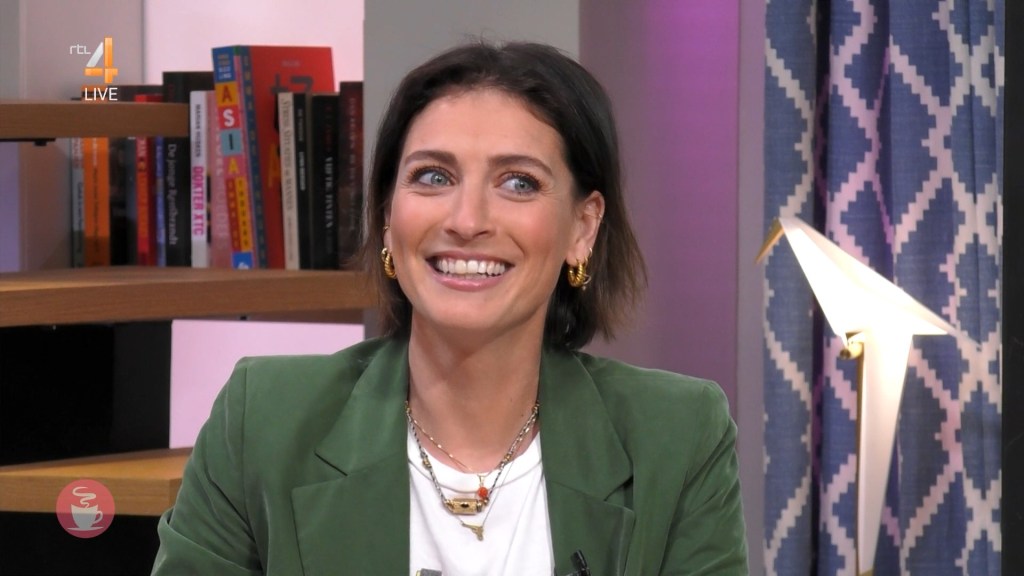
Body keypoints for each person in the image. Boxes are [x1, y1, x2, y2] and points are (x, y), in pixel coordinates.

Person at [152, 41, 747, 575]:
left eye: (518, 183)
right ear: (388, 217)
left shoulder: (677, 436)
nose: (467, 221)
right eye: (433, 176)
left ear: (582, 228)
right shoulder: (264, 422)